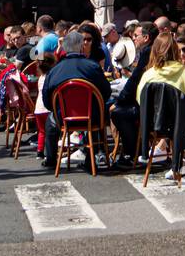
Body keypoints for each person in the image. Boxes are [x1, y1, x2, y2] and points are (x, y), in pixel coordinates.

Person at [136, 29, 185, 185]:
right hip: (180, 126)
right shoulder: (184, 73)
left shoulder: (148, 75)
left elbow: (140, 100)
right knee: (183, 121)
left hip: (155, 125)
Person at [41, 30, 112, 169]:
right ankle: (91, 157)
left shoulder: (54, 70)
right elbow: (106, 92)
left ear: (64, 48)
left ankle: (50, 158)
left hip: (64, 118)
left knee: (50, 121)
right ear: (81, 47)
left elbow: (47, 100)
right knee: (98, 109)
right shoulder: (93, 66)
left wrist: (58, 110)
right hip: (92, 117)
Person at [108, 22, 156, 164]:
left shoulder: (148, 52)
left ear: (146, 37)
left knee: (117, 112)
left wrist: (120, 101)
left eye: (136, 35)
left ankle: (133, 152)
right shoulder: (152, 50)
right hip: (156, 102)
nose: (133, 38)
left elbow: (136, 80)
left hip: (150, 106)